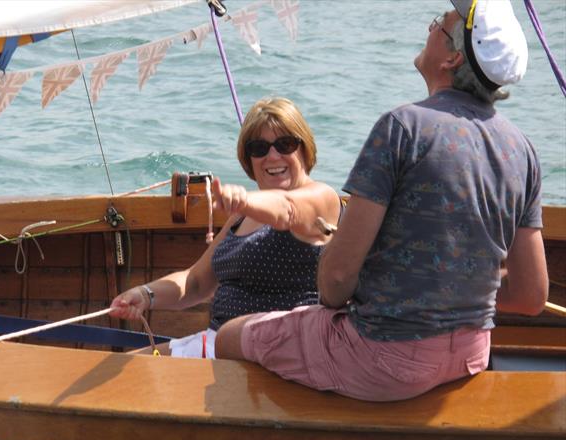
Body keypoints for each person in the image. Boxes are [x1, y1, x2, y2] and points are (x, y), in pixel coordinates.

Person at [215, 0, 549, 400]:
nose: (429, 29)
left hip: (383, 363)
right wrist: (456, 290)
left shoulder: (402, 128)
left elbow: (335, 284)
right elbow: (531, 296)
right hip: (470, 356)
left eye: (438, 25)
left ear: (452, 59)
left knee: (231, 336)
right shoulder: (523, 150)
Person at [109, 97, 341, 357]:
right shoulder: (242, 216)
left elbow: (287, 210)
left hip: (280, 354)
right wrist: (146, 294)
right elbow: (196, 283)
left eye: (285, 144)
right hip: (219, 344)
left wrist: (243, 199)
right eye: (259, 148)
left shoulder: (322, 198)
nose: (273, 155)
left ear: (305, 149)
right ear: (248, 158)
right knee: (120, 374)